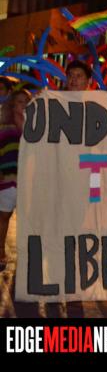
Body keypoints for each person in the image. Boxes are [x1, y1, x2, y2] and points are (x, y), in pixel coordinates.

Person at [0, 88, 32, 271]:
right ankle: (0, 251)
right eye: (20, 101)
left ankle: (26, 255)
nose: (24, 105)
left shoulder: (35, 129)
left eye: (27, 101)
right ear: (12, 105)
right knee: (4, 216)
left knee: (28, 219)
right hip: (8, 179)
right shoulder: (5, 127)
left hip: (28, 182)